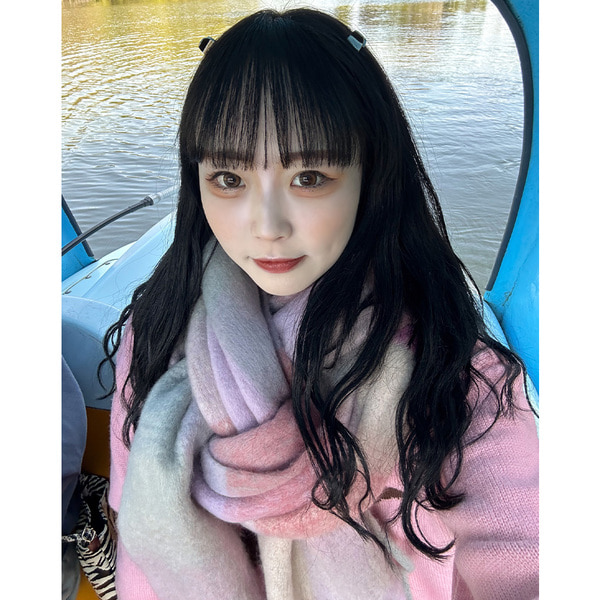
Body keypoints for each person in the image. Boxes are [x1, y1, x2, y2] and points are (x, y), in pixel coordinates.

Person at [103, 8, 539, 599]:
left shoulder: (454, 375)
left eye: (308, 177)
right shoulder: (155, 334)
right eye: (228, 179)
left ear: (371, 174)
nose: (266, 226)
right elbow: (138, 545)